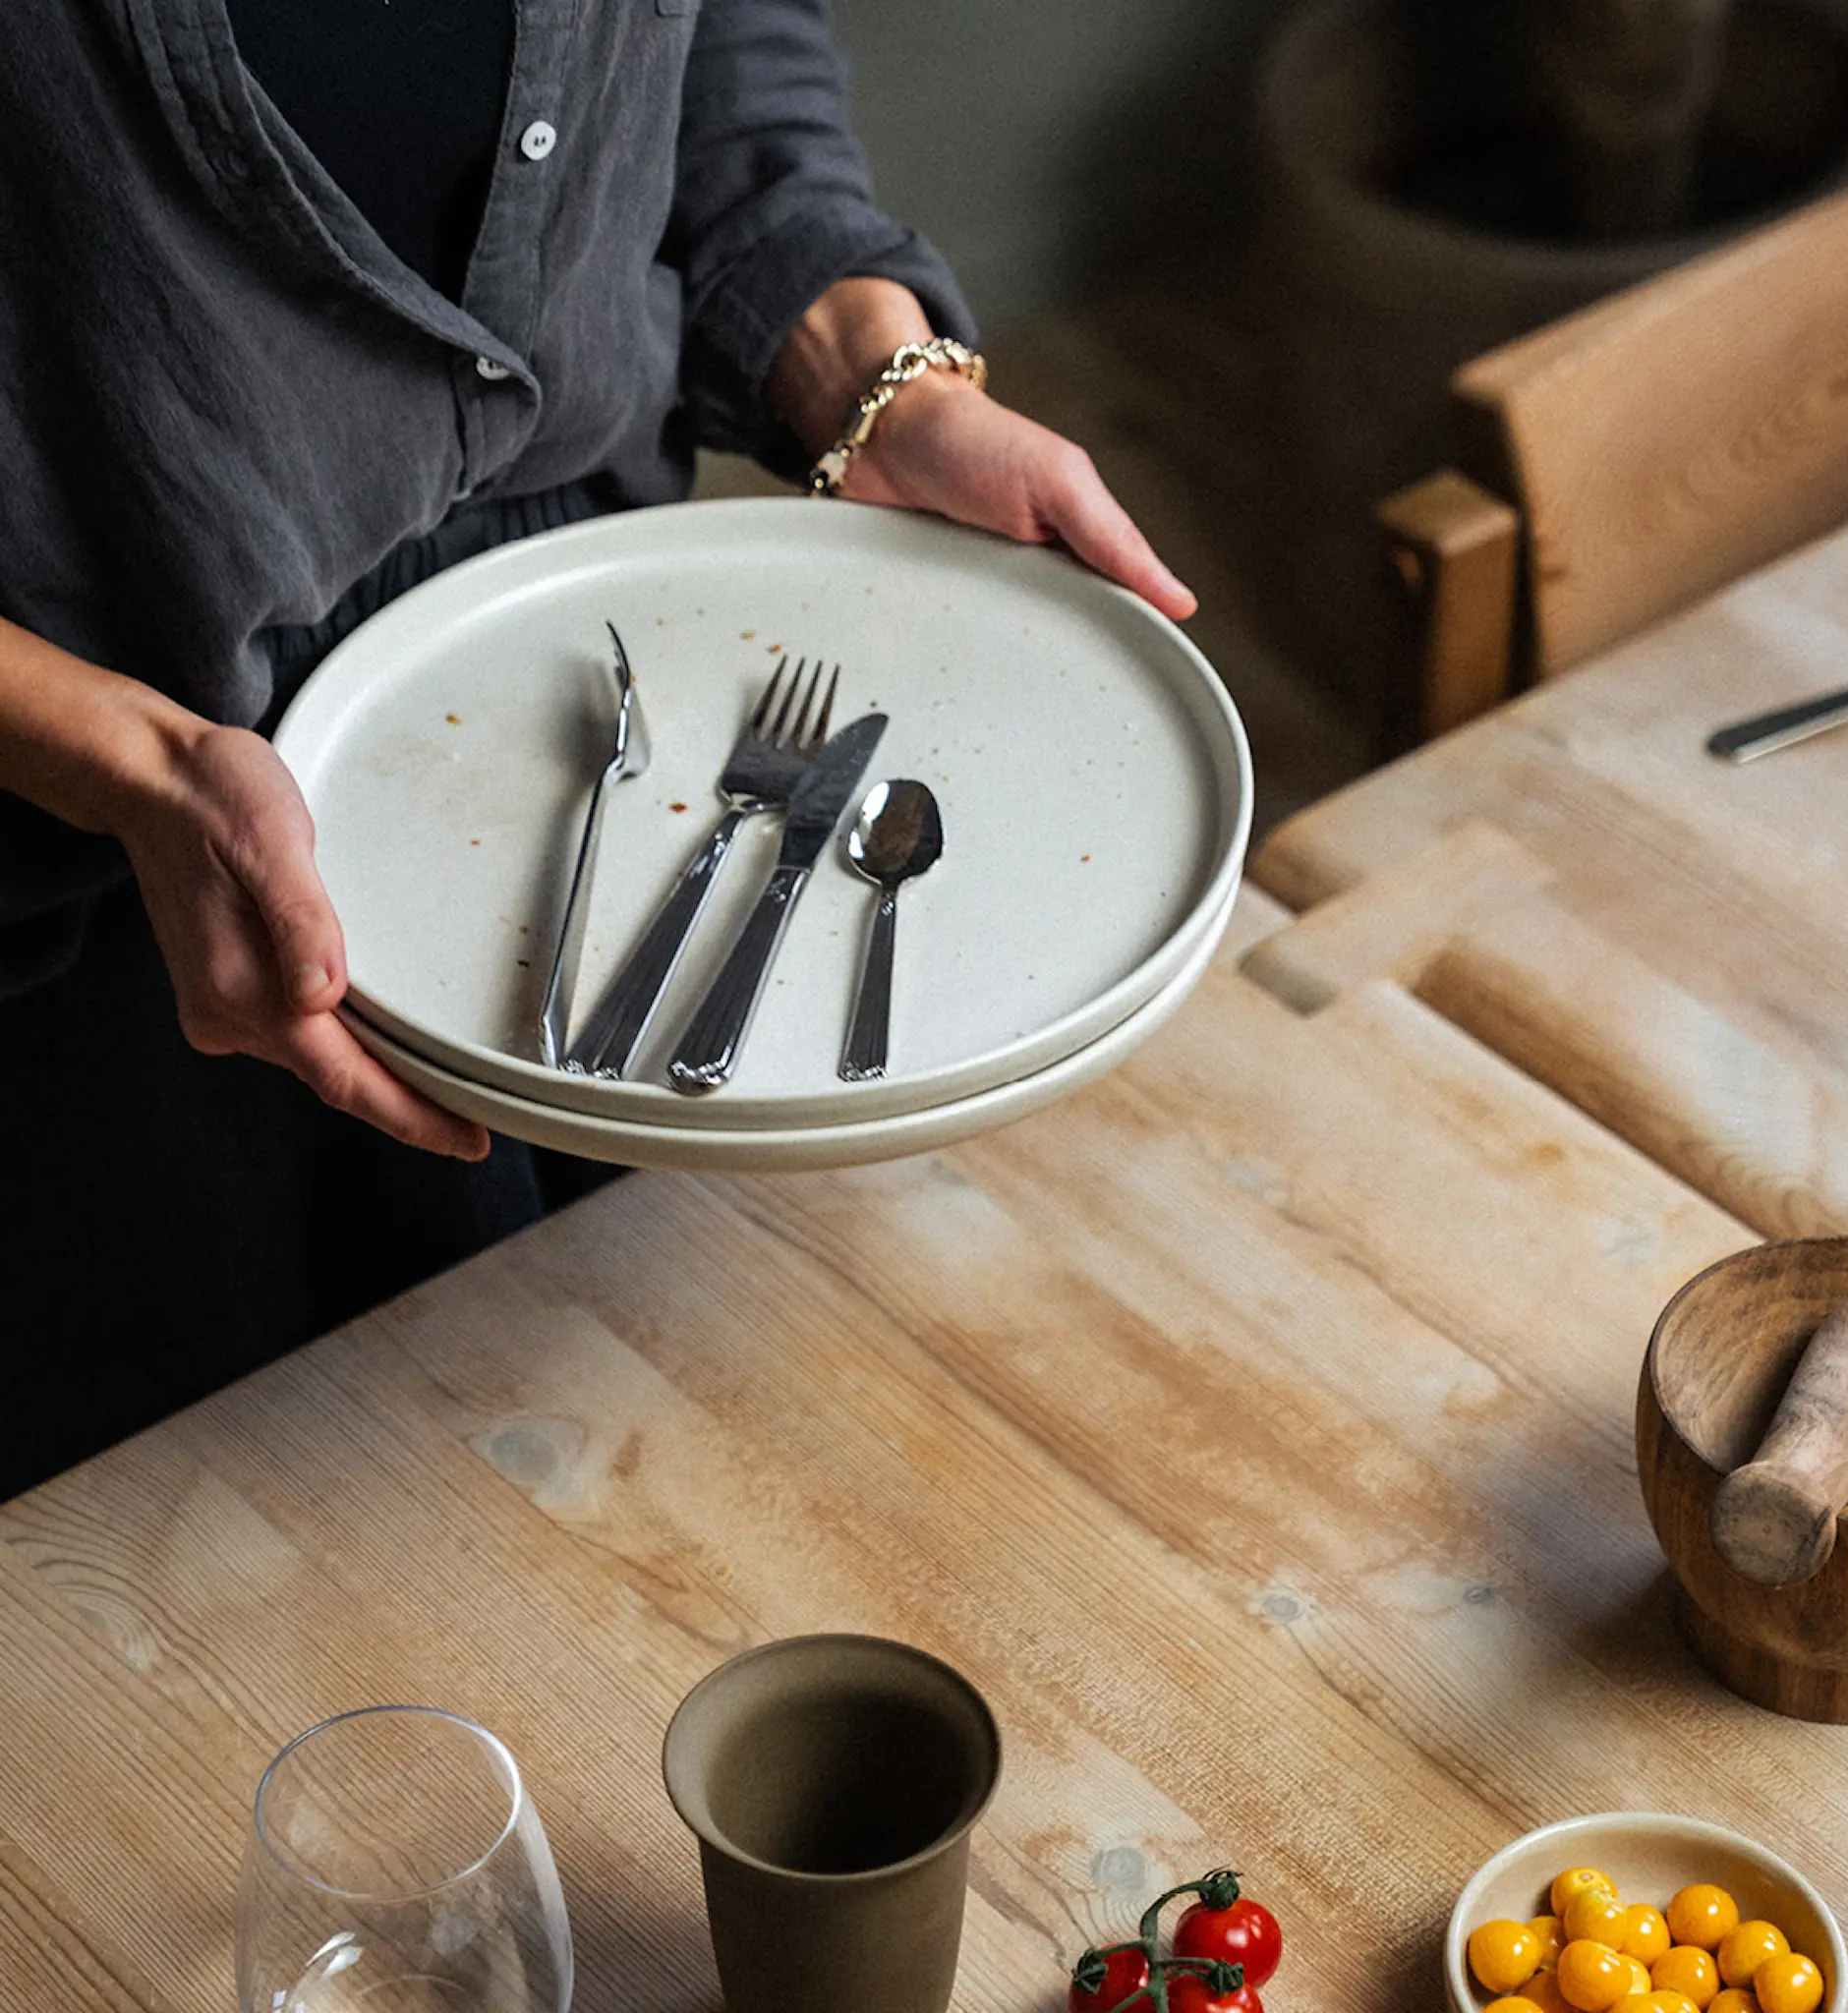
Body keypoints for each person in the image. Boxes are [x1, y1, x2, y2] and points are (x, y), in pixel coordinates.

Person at [0, 0, 1194, 1496]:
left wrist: (864, 364)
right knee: (224, 1544)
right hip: (102, 905)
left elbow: (717, 38)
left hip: (606, 671)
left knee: (701, 1447)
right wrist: (119, 758)